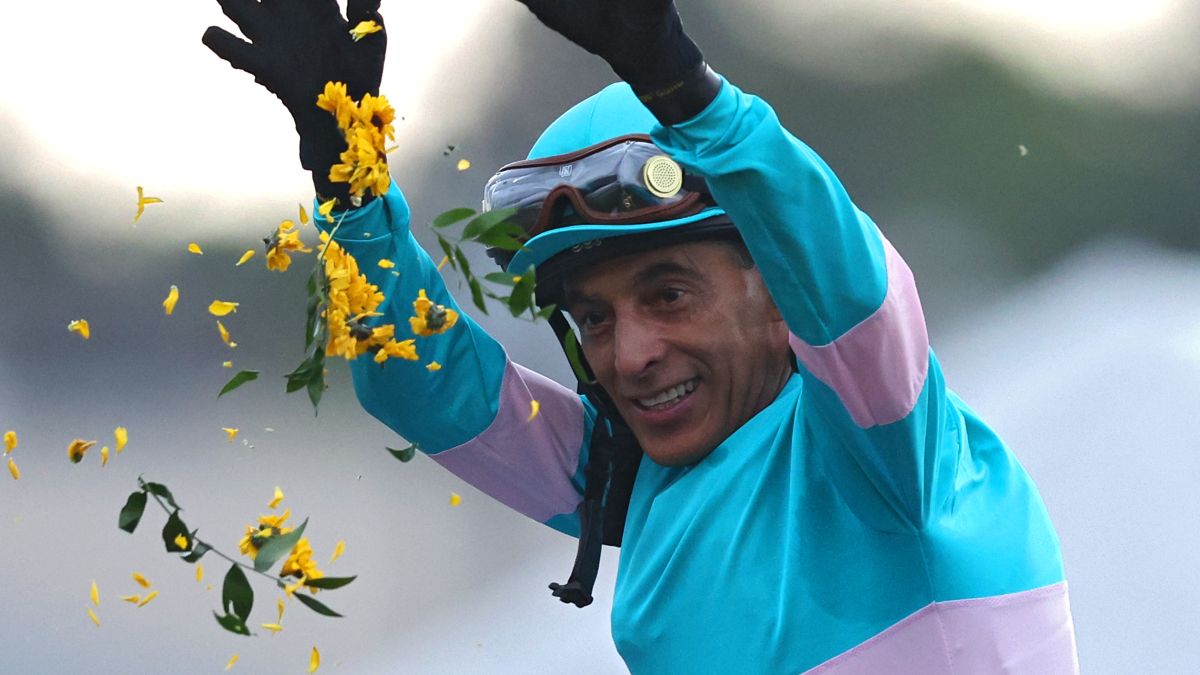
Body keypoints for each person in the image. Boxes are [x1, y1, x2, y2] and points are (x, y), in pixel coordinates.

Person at [203, 0, 1079, 671]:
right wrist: (348, 177)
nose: (631, 355)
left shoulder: (888, 454)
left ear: (778, 290)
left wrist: (687, 88)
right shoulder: (644, 477)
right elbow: (420, 386)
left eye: (668, 294)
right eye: (594, 317)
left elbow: (856, 292)